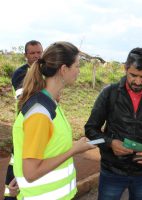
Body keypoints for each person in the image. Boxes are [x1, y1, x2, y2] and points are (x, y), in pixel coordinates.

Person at [12, 41, 96, 199]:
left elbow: (45, 148)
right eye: (77, 66)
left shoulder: (50, 103)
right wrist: (73, 150)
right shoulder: (40, 113)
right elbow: (31, 173)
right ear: (64, 69)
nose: (78, 71)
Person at [85, 47, 142, 200]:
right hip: (112, 172)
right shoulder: (109, 93)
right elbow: (90, 131)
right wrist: (110, 143)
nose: (138, 81)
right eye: (133, 75)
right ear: (125, 69)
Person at [4, 40, 43, 200]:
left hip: (39, 126)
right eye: (32, 53)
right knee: (17, 165)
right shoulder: (21, 73)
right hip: (24, 128)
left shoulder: (44, 71)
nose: (36, 56)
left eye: (39, 52)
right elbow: (25, 99)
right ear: (25, 55)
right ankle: (9, 196)